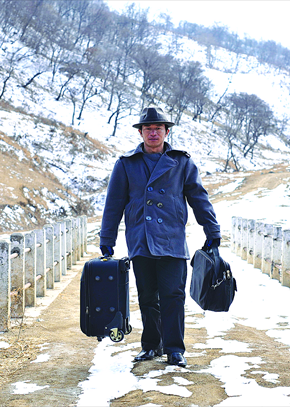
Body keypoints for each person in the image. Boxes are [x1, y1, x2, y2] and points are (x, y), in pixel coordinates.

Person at [99, 106, 221, 367]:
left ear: (167, 131)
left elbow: (199, 198)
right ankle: (152, 345)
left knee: (173, 296)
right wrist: (106, 240)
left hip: (172, 241)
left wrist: (212, 231)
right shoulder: (125, 164)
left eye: (158, 129)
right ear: (141, 132)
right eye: (148, 129)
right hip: (141, 240)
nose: (153, 133)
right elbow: (114, 204)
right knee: (147, 297)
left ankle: (175, 348)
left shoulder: (182, 162)